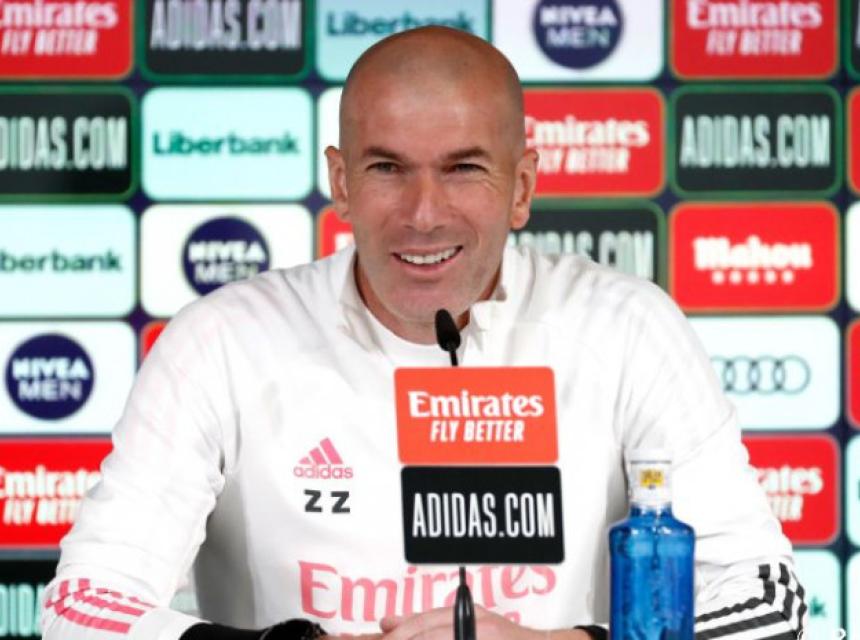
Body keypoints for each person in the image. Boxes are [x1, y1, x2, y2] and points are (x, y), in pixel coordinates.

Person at [42, 26, 805, 640]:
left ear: (522, 188)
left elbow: (767, 604)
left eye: (464, 169)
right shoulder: (222, 343)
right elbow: (81, 610)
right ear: (341, 182)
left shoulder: (626, 328)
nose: (424, 214)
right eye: (387, 169)